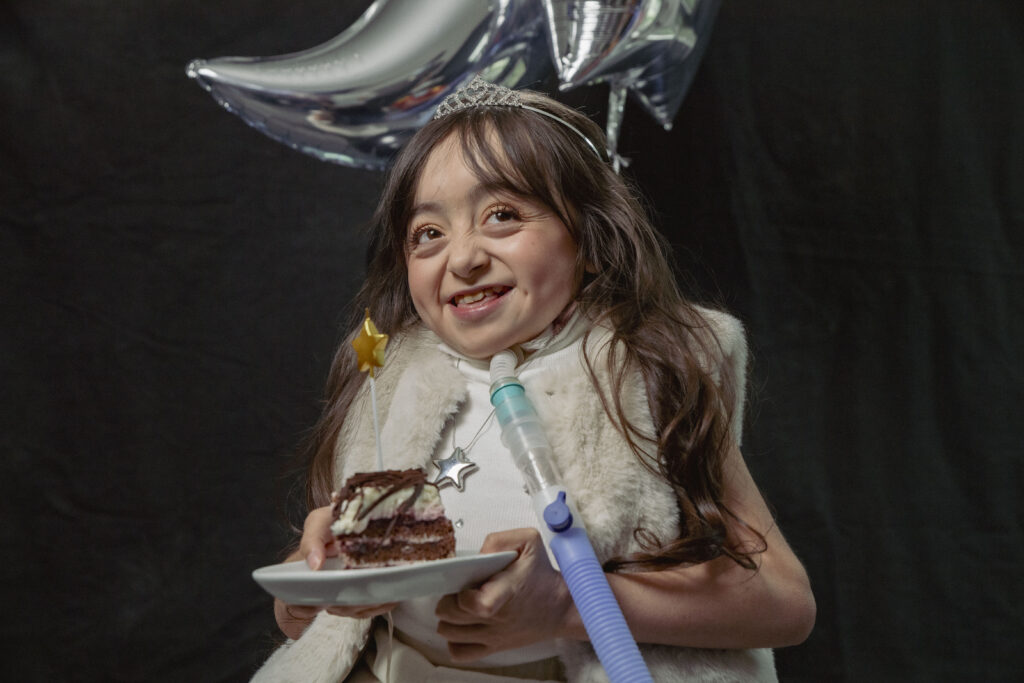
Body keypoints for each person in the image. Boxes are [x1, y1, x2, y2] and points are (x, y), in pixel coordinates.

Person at [252, 77, 815, 682]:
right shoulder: (386, 377)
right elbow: (306, 616)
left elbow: (784, 603)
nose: (462, 258)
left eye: (502, 215)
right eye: (428, 234)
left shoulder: (649, 369)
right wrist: (312, 586)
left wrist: (569, 604)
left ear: (590, 240)